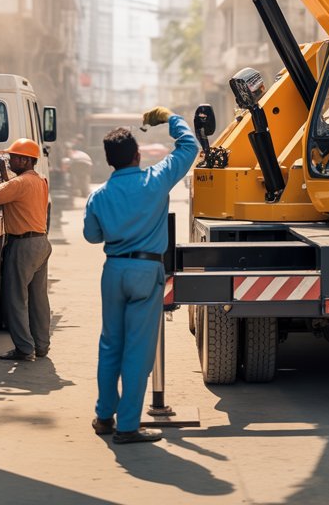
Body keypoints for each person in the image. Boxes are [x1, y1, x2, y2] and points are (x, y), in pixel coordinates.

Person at [83, 107, 198, 445]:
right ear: (136, 155)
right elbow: (189, 147)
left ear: (109, 161)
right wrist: (171, 118)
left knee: (110, 345)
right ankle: (128, 426)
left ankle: (105, 416)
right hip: (147, 272)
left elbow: (92, 236)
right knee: (138, 351)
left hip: (114, 270)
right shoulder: (155, 179)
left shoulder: (98, 196)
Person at [0, 138, 51, 362]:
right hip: (41, 243)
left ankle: (24, 349)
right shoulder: (39, 180)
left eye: (14, 157)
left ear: (26, 160)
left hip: (23, 246)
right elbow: (14, 188)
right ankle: (42, 345)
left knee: (15, 299)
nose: (10, 160)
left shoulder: (19, 184)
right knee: (38, 299)